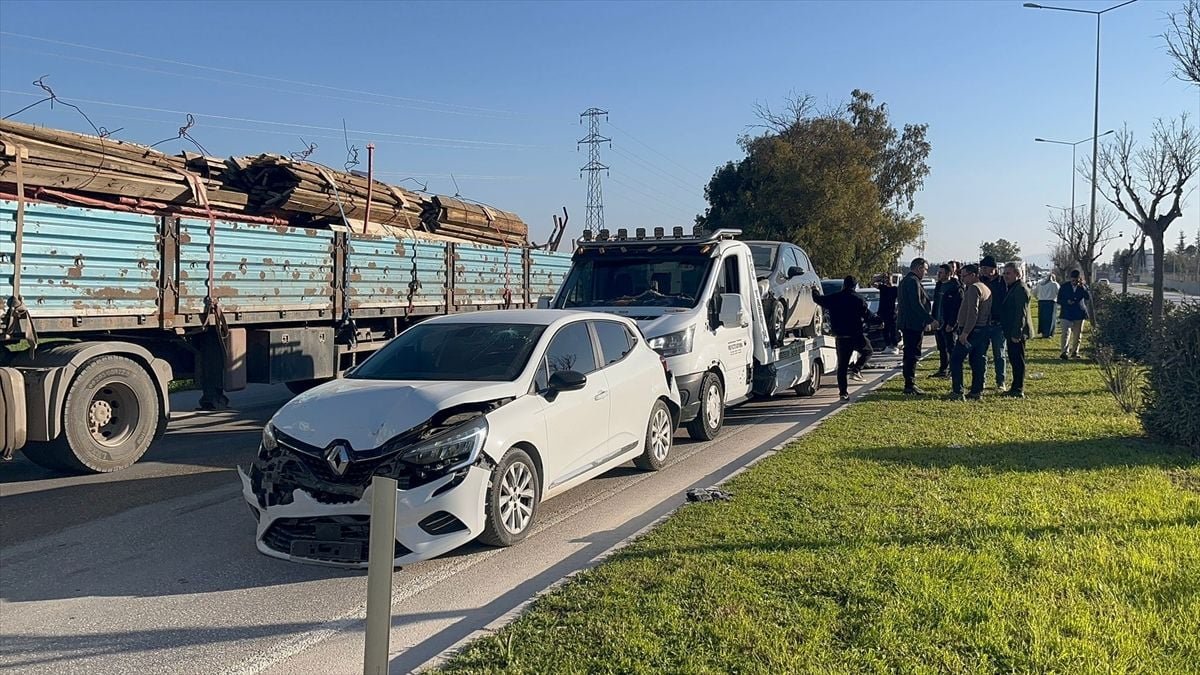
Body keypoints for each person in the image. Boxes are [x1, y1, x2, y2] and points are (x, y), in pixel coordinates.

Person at [812, 276, 877, 401]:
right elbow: (868, 315)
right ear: (855, 286)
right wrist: (879, 320)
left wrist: (814, 290)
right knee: (868, 351)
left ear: (843, 285)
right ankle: (856, 369)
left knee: (842, 366)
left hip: (842, 337)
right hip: (856, 335)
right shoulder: (859, 299)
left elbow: (818, 299)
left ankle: (843, 393)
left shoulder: (834, 298)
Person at [949, 264, 993, 401]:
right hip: (983, 330)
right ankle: (976, 391)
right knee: (977, 360)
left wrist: (965, 333)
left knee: (956, 359)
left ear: (973, 275)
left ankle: (958, 391)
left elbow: (973, 312)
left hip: (971, 331)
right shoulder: (985, 288)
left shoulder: (974, 288)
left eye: (964, 275)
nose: (962, 278)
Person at [897, 257, 937, 395]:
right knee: (912, 354)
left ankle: (910, 382)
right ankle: (910, 384)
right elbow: (916, 304)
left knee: (910, 353)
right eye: (925, 270)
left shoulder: (905, 281)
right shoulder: (912, 281)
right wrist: (929, 319)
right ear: (919, 268)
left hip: (908, 323)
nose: (925, 272)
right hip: (912, 324)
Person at [1000, 262, 1033, 398]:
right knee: (1014, 360)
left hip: (1017, 332)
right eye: (1004, 273)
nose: (1005, 276)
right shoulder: (1012, 287)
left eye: (1008, 273)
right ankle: (1015, 386)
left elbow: (1021, 313)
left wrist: (1016, 333)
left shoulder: (1020, 289)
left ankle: (1018, 389)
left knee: (1018, 360)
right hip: (1011, 330)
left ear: (1017, 274)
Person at [978, 255, 1008, 391]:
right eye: (982, 268)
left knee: (999, 354)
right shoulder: (980, 282)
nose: (983, 270)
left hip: (998, 324)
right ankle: (981, 381)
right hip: (983, 323)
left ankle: (1000, 381)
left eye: (985, 268)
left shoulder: (1003, 282)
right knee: (981, 354)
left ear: (994, 269)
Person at [930, 263, 963, 378]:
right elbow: (935, 304)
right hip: (938, 322)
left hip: (949, 323)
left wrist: (952, 323)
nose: (938, 275)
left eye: (941, 273)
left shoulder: (956, 288)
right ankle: (943, 369)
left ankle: (954, 371)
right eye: (938, 272)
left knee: (951, 348)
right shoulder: (938, 286)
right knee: (941, 348)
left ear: (949, 274)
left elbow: (957, 308)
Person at [1057, 269, 1091, 359]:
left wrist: (1083, 287)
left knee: (1077, 334)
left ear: (1079, 279)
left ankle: (1075, 352)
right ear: (1070, 278)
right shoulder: (1064, 287)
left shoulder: (1083, 287)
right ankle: (1064, 352)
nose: (1074, 282)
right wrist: (1066, 301)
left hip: (1079, 313)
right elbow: (1059, 299)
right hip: (1066, 313)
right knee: (1065, 333)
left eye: (1076, 280)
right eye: (1072, 280)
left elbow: (1088, 297)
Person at [874, 274, 899, 354]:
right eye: (886, 279)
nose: (887, 281)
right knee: (885, 330)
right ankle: (888, 345)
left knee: (893, 330)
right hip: (883, 312)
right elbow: (872, 284)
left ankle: (894, 346)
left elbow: (900, 299)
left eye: (889, 279)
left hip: (892, 312)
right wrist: (878, 278)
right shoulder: (883, 288)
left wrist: (898, 309)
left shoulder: (895, 289)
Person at [1035, 274, 1060, 338]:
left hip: (1041, 302)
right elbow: (1059, 293)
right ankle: (1049, 333)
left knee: (1042, 318)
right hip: (1051, 302)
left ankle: (1043, 332)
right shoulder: (1054, 284)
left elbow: (1034, 292)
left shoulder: (1040, 284)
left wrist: (1038, 297)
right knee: (1050, 318)